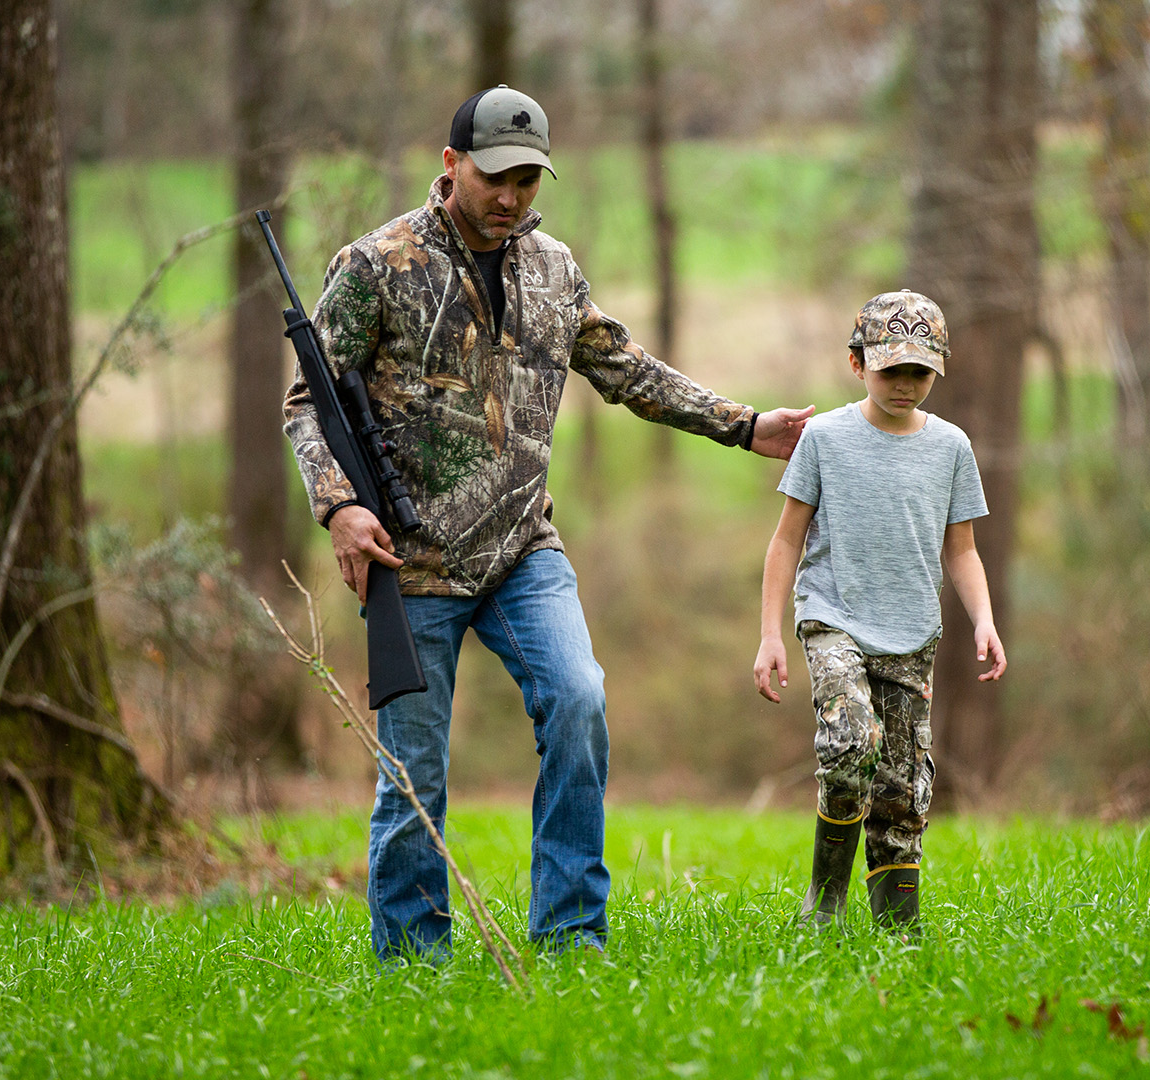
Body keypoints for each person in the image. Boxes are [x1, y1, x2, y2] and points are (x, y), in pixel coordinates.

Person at [282, 85, 813, 963]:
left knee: (579, 700)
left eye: (530, 178)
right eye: (496, 176)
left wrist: (745, 425)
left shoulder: (554, 269)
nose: (513, 196)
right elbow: (308, 398)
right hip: (408, 565)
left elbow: (626, 369)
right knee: (414, 774)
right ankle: (414, 964)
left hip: (526, 548)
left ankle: (571, 938)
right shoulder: (377, 266)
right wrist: (339, 506)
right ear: (452, 166)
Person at [751, 289, 1005, 928]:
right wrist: (770, 635)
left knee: (902, 787)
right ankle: (826, 900)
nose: (906, 384)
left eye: (920, 372)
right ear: (857, 363)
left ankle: (897, 926)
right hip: (833, 615)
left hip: (912, 631)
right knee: (851, 739)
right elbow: (786, 540)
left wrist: (984, 619)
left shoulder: (951, 448)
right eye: (891, 369)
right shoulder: (826, 440)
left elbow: (964, 550)